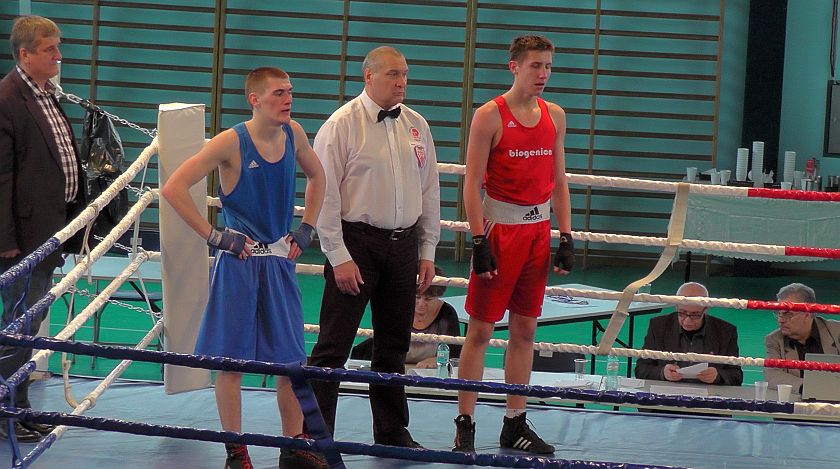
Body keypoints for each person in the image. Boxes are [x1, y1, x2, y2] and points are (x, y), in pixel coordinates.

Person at [160, 67, 326, 469]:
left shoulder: (294, 133)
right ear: (255, 99)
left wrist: (307, 227)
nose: (288, 99)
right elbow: (173, 187)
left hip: (279, 261)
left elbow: (318, 175)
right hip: (239, 263)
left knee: (291, 362)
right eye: (278, 93)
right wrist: (214, 236)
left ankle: (294, 446)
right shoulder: (230, 141)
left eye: (290, 91)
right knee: (231, 363)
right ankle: (236, 451)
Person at [308, 45, 440, 448]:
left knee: (394, 345)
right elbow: (324, 196)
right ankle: (315, 439)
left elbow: (429, 190)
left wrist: (427, 251)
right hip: (356, 244)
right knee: (333, 346)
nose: (401, 82)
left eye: (405, 74)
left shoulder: (416, 124)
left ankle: (391, 432)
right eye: (393, 74)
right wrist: (338, 256)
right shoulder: (341, 125)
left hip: (404, 245)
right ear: (369, 76)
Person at [452, 35, 574, 455]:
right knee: (481, 330)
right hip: (499, 232)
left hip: (538, 232)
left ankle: (514, 422)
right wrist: (478, 239)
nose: (543, 74)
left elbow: (559, 180)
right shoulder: (489, 115)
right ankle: (465, 422)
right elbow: (471, 182)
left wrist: (567, 234)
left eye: (548, 66)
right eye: (535, 65)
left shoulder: (554, 115)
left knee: (525, 330)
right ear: (514, 67)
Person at [0, 15, 85, 443]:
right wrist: (6, 242)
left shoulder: (45, 93)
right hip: (23, 241)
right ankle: (7, 412)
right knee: (18, 326)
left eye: (58, 46)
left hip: (49, 232)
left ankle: (17, 406)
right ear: (25, 54)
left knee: (27, 325)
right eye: (50, 49)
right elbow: (1, 176)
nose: (58, 55)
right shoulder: (7, 99)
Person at [350, 265, 461, 368]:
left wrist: (437, 360)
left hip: (428, 372)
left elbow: (455, 351)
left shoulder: (447, 313)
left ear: (438, 296)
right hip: (394, 366)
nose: (421, 304)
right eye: (417, 297)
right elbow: (382, 342)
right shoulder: (397, 307)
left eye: (428, 299)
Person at [635, 282, 742, 386]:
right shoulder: (658, 326)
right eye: (682, 313)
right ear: (676, 306)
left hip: (708, 395)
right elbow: (640, 369)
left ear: (705, 309)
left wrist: (718, 376)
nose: (687, 321)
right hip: (668, 392)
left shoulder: (726, 332)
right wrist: (663, 372)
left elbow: (737, 376)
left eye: (695, 315)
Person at [765, 283, 840, 392]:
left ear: (807, 313)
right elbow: (772, 375)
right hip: (798, 398)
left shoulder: (837, 332)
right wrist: (808, 387)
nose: (780, 320)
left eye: (788, 314)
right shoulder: (774, 340)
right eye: (778, 313)